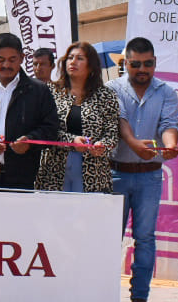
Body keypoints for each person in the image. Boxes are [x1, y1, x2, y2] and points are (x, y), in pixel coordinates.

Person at [109, 37, 178, 302]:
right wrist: (136, 143)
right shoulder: (111, 89)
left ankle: (139, 296)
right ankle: (104, 294)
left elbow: (169, 125)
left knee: (145, 238)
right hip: (116, 173)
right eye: (136, 64)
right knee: (109, 238)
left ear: (155, 63)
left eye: (148, 63)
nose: (143, 69)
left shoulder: (166, 92)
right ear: (125, 63)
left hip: (150, 175)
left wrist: (171, 143)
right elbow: (118, 124)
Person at [0, 33, 60, 191]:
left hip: (23, 178)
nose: (6, 65)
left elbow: (51, 129)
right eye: (1, 60)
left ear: (22, 58)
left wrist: (30, 141)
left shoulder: (38, 91)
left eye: (12, 60)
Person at [36, 42, 119, 193]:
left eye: (80, 58)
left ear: (91, 65)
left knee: (86, 215)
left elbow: (112, 133)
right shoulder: (50, 91)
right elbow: (44, 129)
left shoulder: (106, 95)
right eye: (70, 58)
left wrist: (102, 145)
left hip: (93, 172)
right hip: (54, 169)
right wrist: (71, 141)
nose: (73, 62)